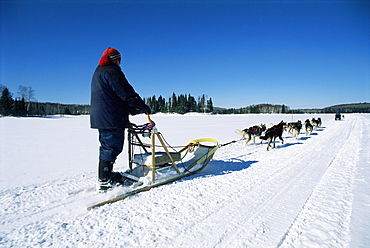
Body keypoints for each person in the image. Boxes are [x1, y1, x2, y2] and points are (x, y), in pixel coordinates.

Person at [90, 47, 151, 192]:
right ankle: (105, 180)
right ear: (116, 59)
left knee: (108, 146)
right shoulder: (111, 71)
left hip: (104, 116)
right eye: (119, 60)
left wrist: (129, 110)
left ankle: (106, 175)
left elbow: (111, 96)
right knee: (111, 147)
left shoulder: (100, 71)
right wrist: (141, 106)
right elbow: (125, 91)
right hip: (111, 118)